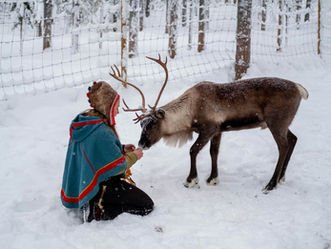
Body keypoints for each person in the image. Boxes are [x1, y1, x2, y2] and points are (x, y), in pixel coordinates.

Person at [60, 81, 154, 222]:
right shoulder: (102, 131)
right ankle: (98, 210)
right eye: (115, 107)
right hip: (102, 186)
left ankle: (93, 200)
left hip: (84, 182)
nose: (117, 111)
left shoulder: (86, 122)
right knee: (146, 205)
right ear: (107, 107)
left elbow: (95, 150)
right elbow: (118, 166)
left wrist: (121, 148)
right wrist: (134, 156)